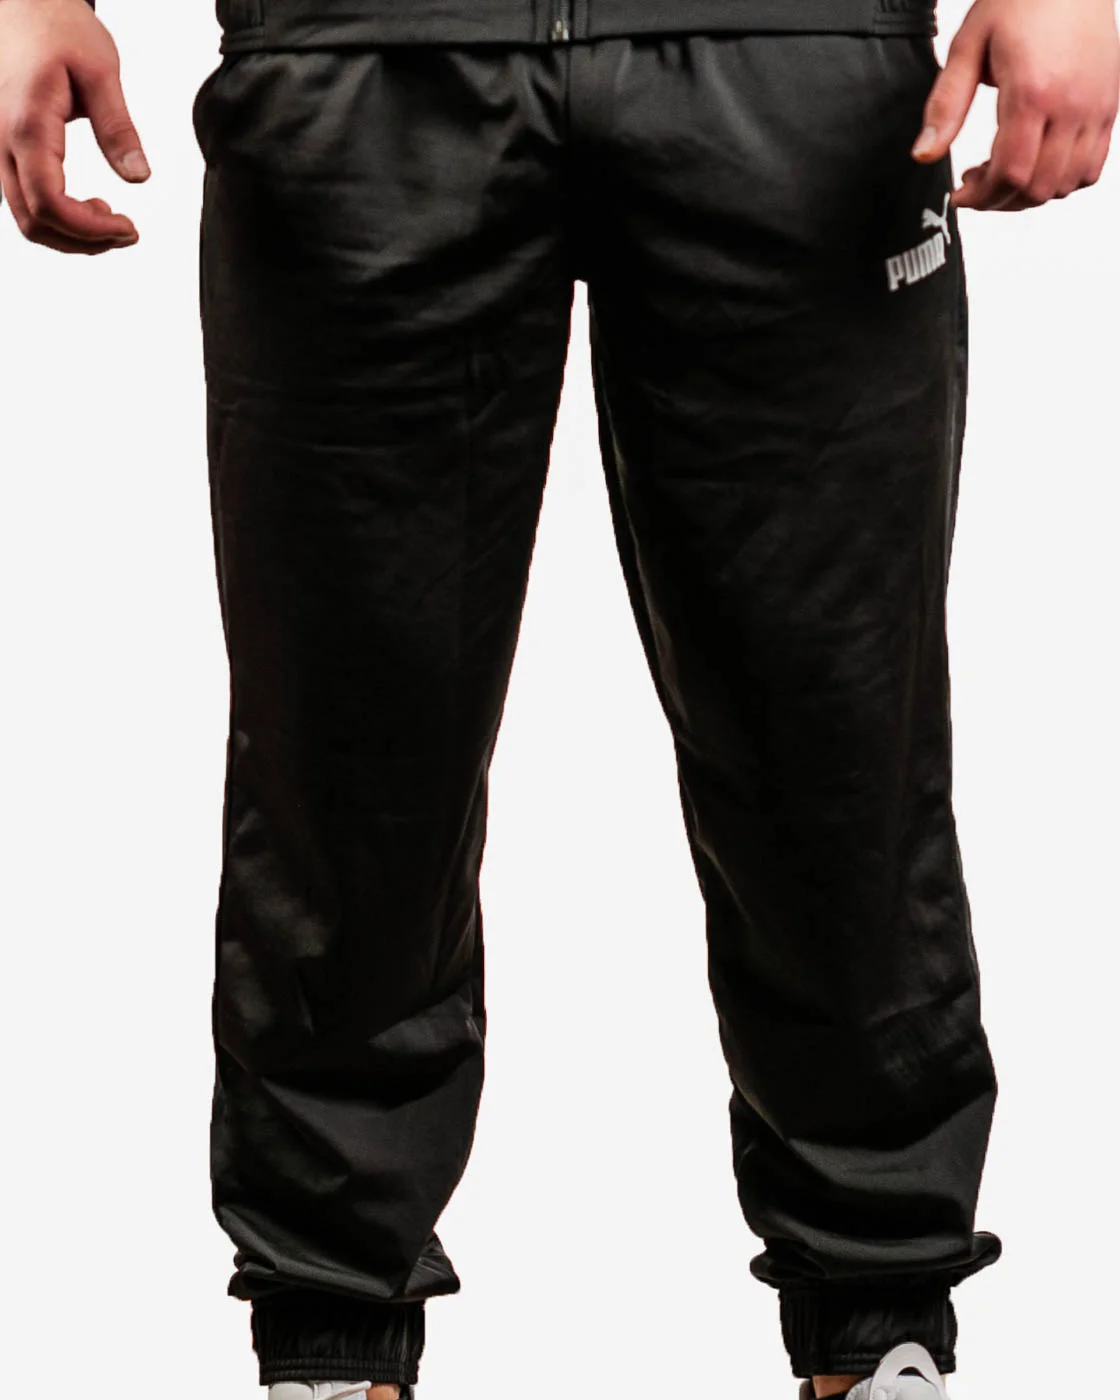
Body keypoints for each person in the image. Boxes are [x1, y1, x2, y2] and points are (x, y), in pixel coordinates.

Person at [1, 0, 1116, 1396]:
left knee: (836, 747)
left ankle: (880, 1331)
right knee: (344, 763)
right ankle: (330, 1346)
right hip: (359, 48)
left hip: (794, 49)